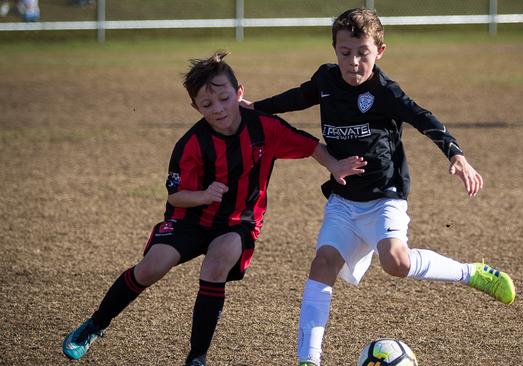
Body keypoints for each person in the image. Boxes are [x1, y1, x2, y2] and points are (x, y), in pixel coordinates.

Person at [242, 8, 516, 366]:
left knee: (396, 262)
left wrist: (457, 155)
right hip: (343, 198)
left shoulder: (383, 91)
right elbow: (295, 98)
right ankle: (309, 360)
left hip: (385, 196)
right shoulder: (326, 80)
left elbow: (422, 117)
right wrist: (255, 109)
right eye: (345, 52)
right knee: (322, 264)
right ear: (334, 49)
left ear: (380, 51)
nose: (353, 62)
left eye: (363, 53)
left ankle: (472, 273)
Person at [61, 51, 366, 366]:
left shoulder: (264, 127)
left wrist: (336, 165)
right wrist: (204, 195)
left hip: (239, 222)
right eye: (207, 105)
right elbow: (176, 196)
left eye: (224, 98)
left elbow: (310, 145)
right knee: (152, 266)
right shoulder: (192, 143)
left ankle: (196, 358)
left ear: (239, 93)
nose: (218, 109)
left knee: (215, 265)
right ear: (195, 107)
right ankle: (96, 324)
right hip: (190, 218)